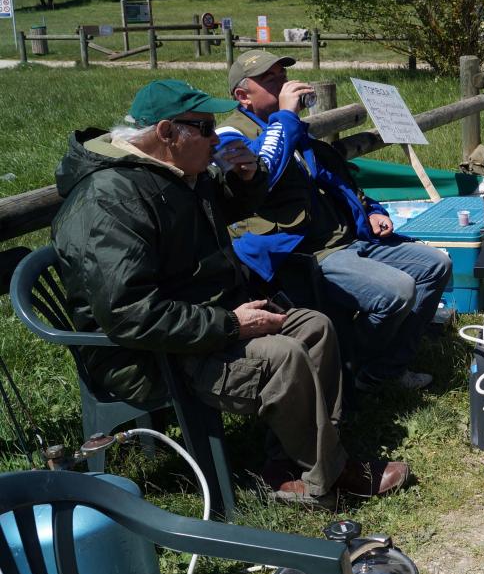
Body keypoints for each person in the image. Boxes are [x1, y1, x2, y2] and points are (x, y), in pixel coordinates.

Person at [51, 79, 409, 508]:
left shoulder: (174, 171)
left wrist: (246, 177)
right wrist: (231, 325)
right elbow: (130, 314)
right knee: (284, 355)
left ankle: (294, 464)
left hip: (200, 321)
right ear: (166, 132)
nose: (216, 137)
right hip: (146, 353)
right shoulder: (110, 201)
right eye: (204, 128)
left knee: (313, 326)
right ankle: (327, 480)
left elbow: (218, 209)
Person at [218, 50, 452, 393]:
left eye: (283, 76)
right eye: (271, 80)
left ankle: (384, 369)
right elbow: (261, 178)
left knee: (436, 265)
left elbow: (336, 181)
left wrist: (372, 210)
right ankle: (346, 366)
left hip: (349, 239)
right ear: (243, 95)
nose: (284, 83)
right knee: (397, 292)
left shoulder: (292, 128)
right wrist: (285, 116)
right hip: (305, 253)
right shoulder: (229, 136)